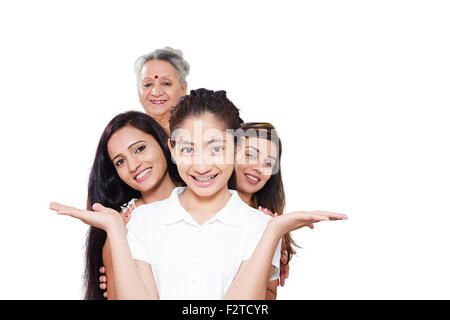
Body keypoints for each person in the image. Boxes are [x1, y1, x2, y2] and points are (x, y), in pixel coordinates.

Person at [51, 89, 347, 299]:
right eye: (188, 148)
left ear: (237, 148)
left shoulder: (259, 226)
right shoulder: (142, 220)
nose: (202, 165)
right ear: (173, 149)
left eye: (216, 147)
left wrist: (274, 232)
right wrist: (115, 229)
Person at [83, 111, 183, 300]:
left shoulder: (204, 193)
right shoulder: (121, 227)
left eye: (139, 149)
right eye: (120, 161)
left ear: (164, 142)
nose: (133, 165)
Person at [135, 47, 189, 133]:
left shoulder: (200, 130)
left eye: (166, 83)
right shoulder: (129, 135)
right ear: (138, 91)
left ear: (183, 88)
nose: (156, 93)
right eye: (148, 84)